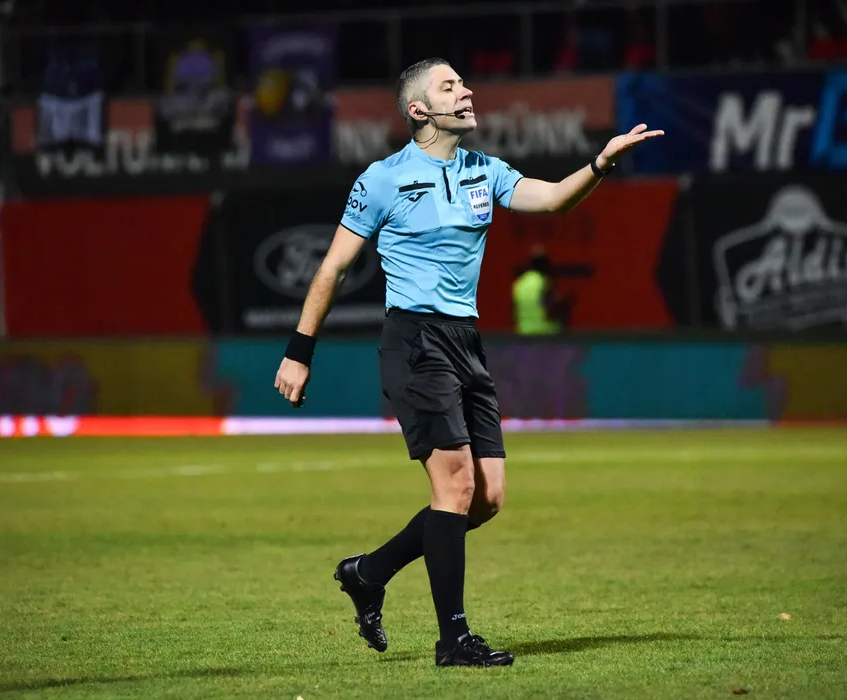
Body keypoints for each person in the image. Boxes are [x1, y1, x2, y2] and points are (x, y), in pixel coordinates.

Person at [274, 57, 662, 667]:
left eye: (463, 82)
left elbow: (552, 199)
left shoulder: (485, 170)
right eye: (450, 86)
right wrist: (299, 352)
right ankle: (453, 640)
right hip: (415, 341)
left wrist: (600, 163)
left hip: (466, 342)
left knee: (486, 498)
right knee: (454, 486)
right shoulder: (382, 179)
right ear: (419, 110)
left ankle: (367, 573)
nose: (466, 91)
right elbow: (334, 267)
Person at [512, 246, 569, 335]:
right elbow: (550, 310)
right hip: (546, 333)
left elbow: (513, 312)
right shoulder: (543, 282)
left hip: (524, 332)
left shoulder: (520, 283)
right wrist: (564, 305)